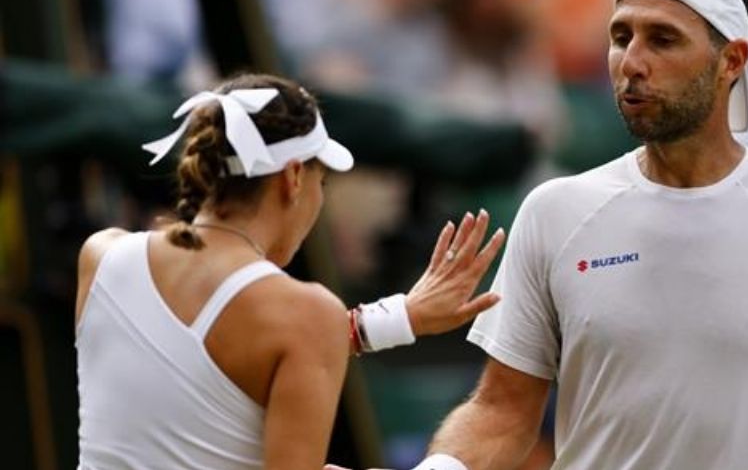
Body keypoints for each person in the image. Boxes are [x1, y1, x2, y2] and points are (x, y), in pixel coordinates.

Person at [328, 0, 748, 470]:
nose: (631, 61)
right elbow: (503, 410)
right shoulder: (555, 213)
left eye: (663, 39)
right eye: (620, 36)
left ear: (731, 60)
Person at [74, 73, 505, 469]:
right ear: (293, 177)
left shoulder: (100, 255)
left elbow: (196, 368)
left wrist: (399, 318)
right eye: (323, 182)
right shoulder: (304, 316)